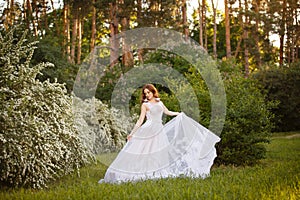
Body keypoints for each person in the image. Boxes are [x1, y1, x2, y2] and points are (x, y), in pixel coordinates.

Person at [99, 84, 220, 184]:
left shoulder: (159, 103)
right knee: (144, 152)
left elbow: (167, 112)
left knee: (158, 153)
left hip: (159, 130)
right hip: (148, 129)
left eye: (149, 92)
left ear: (153, 92)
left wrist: (179, 114)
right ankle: (138, 172)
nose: (147, 94)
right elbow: (140, 120)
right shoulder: (145, 105)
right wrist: (132, 133)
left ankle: (154, 172)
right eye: (145, 93)